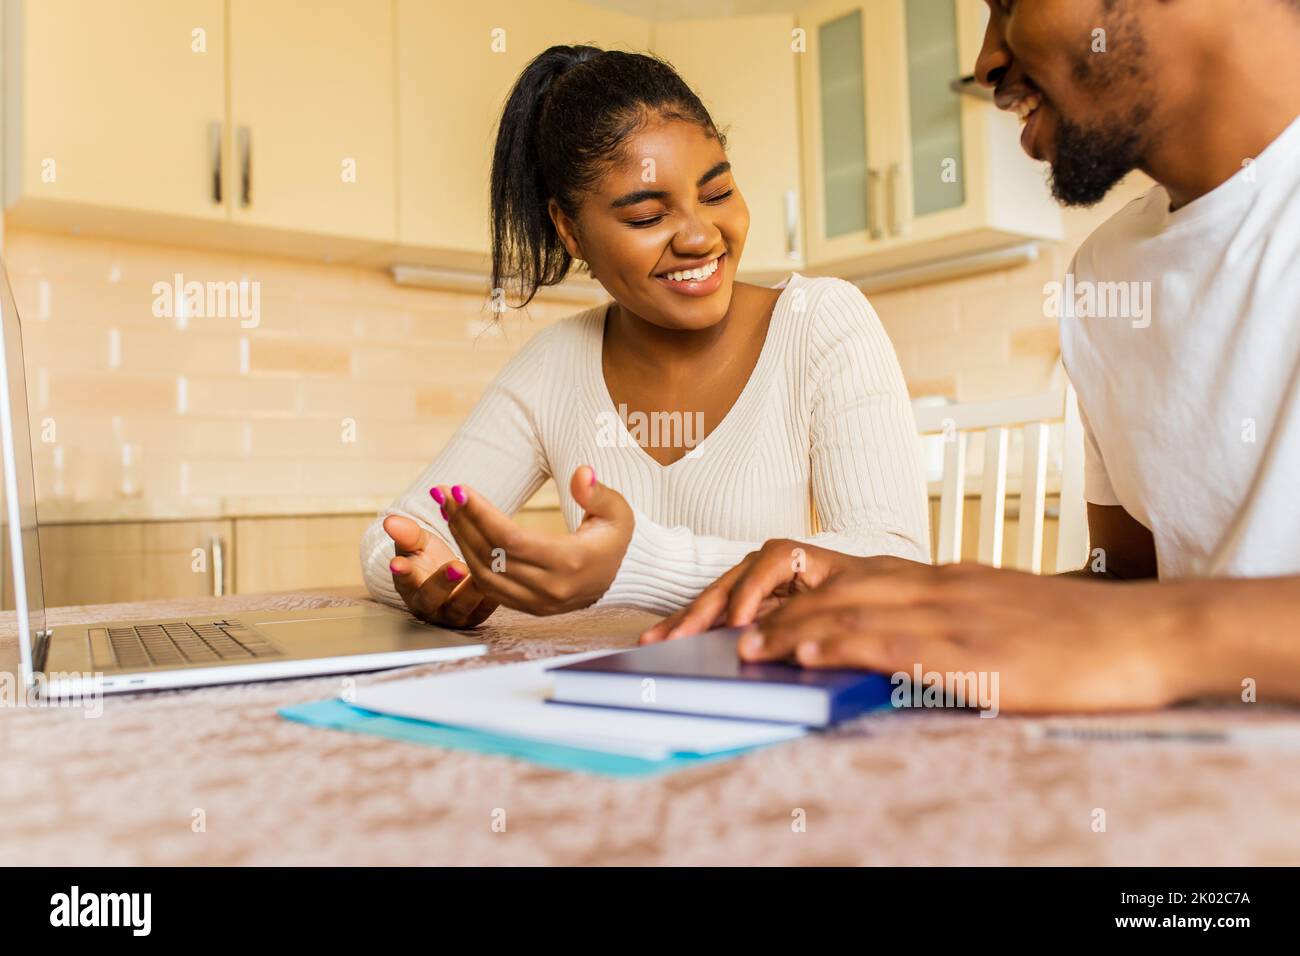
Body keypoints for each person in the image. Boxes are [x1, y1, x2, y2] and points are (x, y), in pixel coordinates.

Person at [646, 0, 1300, 711]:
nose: (988, 58)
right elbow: (1130, 592)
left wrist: (1162, 636)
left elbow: (1144, 625)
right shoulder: (1105, 277)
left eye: (1008, 4)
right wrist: (912, 596)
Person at [359, 46, 929, 627]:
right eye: (647, 217)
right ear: (570, 230)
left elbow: (896, 568)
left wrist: (631, 565)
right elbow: (397, 539)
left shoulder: (820, 323)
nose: (701, 237)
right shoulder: (555, 364)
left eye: (717, 194)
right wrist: (435, 576)